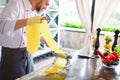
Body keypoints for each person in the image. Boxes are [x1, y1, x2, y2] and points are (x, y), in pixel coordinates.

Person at [0, 0, 49, 80]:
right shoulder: (16, 3)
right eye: (46, 3)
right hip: (12, 57)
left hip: (28, 54)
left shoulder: (34, 13)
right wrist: (28, 21)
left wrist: (42, 39)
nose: (46, 7)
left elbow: (27, 32)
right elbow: (2, 26)